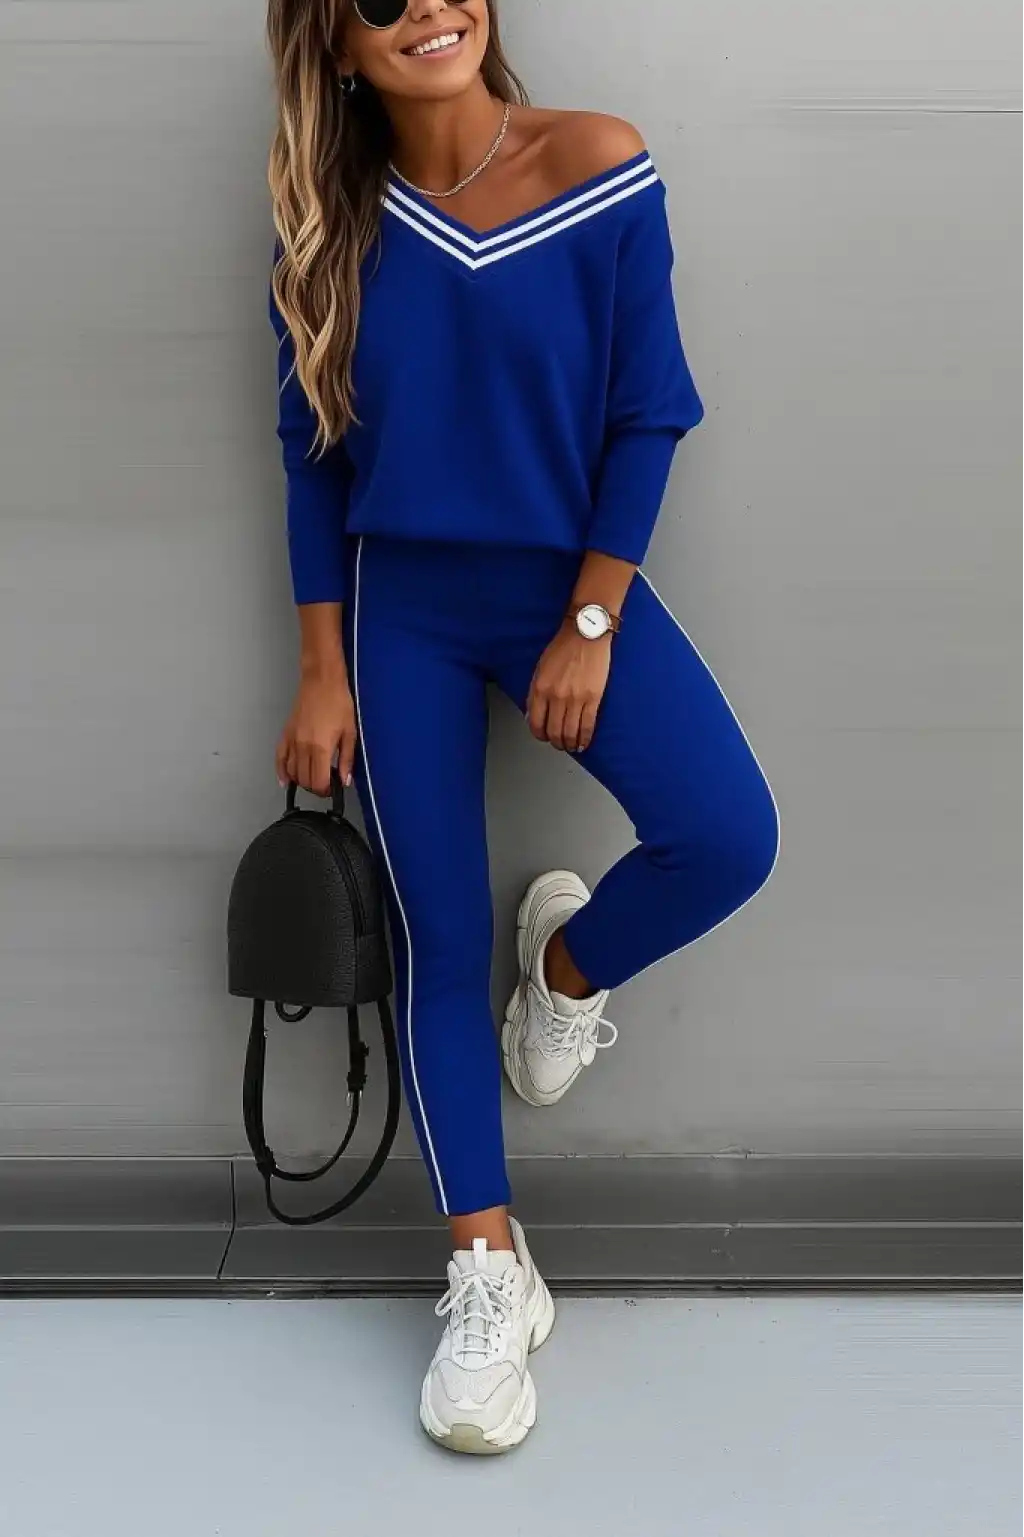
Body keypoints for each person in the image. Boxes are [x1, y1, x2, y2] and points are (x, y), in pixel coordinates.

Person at [266, 0, 779, 1456]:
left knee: (727, 837)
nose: (425, 7)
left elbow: (647, 412)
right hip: (404, 612)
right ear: (337, 45)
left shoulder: (598, 163)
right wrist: (321, 670)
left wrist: (592, 621)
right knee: (432, 937)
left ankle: (561, 968)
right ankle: (488, 1272)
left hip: (570, 585)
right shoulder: (328, 225)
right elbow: (309, 457)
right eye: (379, 0)